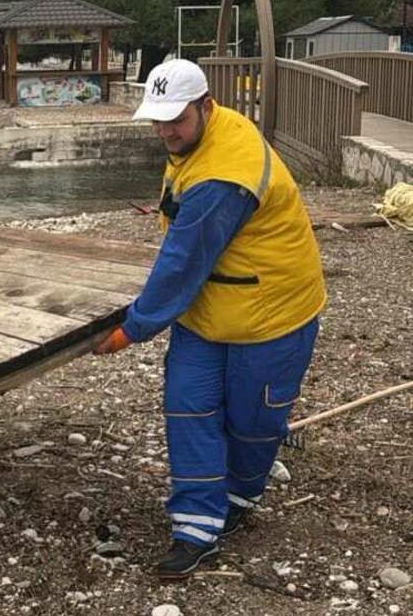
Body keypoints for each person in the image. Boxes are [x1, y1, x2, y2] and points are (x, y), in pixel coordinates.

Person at [94, 59, 326, 579]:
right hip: (208, 314)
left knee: (254, 422)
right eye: (157, 120)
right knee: (188, 409)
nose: (165, 131)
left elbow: (182, 262)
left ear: (205, 105)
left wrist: (131, 329)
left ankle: (240, 498)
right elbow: (183, 245)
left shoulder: (225, 175)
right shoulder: (196, 139)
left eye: (175, 119)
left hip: (273, 314)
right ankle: (196, 526)